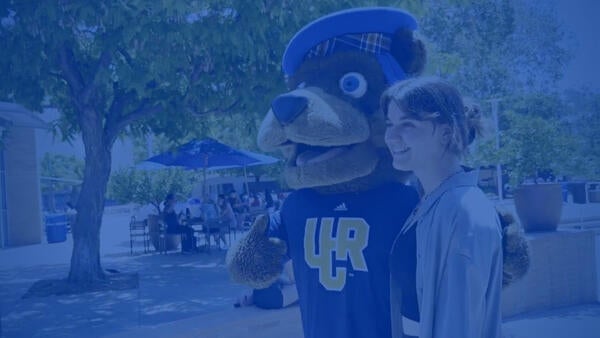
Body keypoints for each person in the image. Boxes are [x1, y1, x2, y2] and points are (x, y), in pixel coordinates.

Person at [381, 76, 503, 338]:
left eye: (407, 124)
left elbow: (460, 326)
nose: (390, 136)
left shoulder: (464, 212)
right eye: (390, 124)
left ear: (447, 133)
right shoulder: (428, 202)